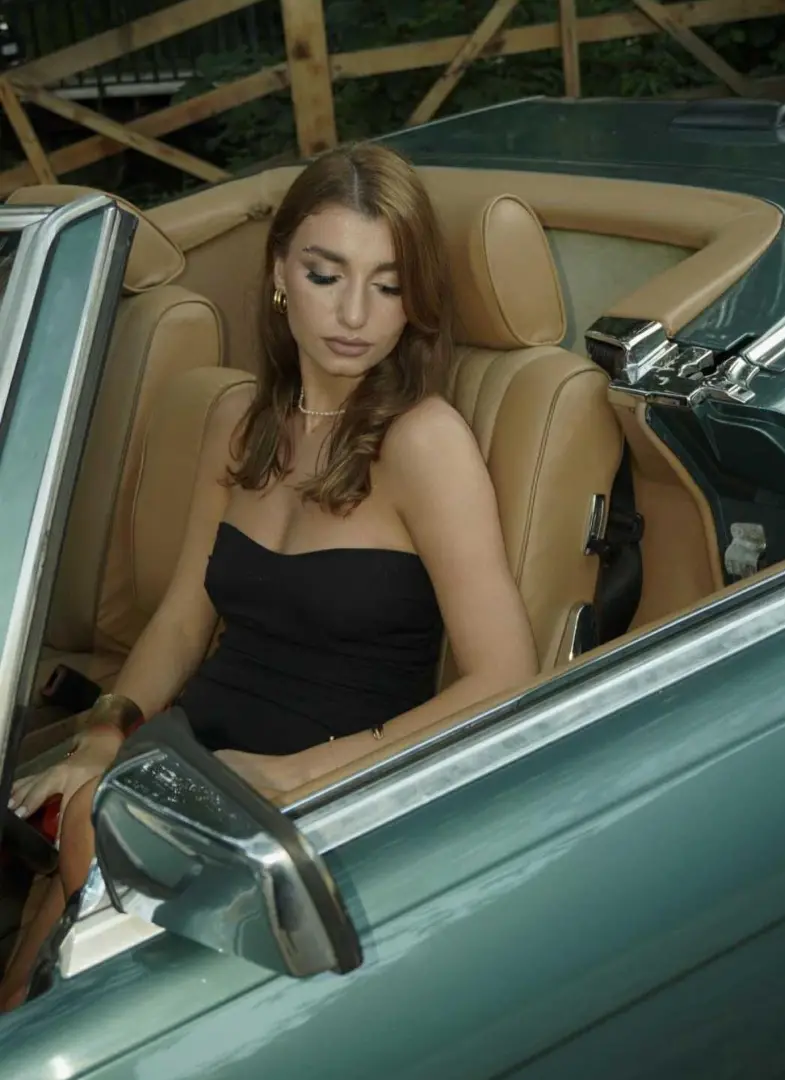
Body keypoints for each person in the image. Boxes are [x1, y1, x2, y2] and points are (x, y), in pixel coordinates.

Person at [1, 143, 537, 1010]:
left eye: (388, 285)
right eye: (327, 275)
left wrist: (302, 774)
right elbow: (184, 617)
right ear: (280, 272)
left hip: (318, 800)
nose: (355, 313)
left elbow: (506, 674)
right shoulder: (245, 425)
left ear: (414, 302)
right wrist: (105, 728)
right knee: (33, 969)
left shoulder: (424, 441)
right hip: (190, 759)